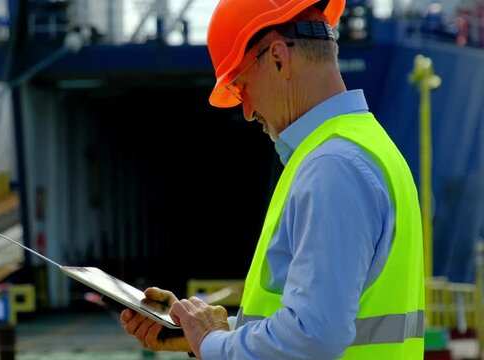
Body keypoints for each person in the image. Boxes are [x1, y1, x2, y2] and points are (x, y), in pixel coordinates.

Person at [121, 0, 425, 358]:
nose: (247, 111)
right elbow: (323, 324)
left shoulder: (331, 166)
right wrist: (204, 333)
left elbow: (313, 336)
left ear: (279, 58)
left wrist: (212, 345)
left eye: (241, 86)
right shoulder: (366, 149)